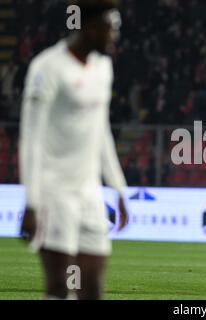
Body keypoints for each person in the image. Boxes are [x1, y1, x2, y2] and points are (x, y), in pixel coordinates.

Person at [19, 0, 128, 300]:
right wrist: (31, 202)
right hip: (54, 195)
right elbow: (31, 139)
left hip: (89, 194)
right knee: (60, 288)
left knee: (91, 288)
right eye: (111, 29)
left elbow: (100, 130)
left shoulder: (103, 67)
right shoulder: (48, 68)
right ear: (90, 28)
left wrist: (118, 187)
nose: (115, 36)